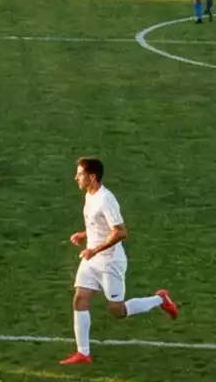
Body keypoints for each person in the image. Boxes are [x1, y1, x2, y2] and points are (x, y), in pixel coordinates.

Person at [58, 156, 177, 365]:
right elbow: (99, 225)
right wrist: (84, 235)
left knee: (117, 311)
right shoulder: (90, 195)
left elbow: (120, 232)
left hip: (109, 262)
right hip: (91, 260)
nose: (76, 178)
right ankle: (83, 353)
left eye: (80, 174)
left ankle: (160, 300)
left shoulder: (106, 199)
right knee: (79, 299)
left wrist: (94, 250)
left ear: (92, 177)